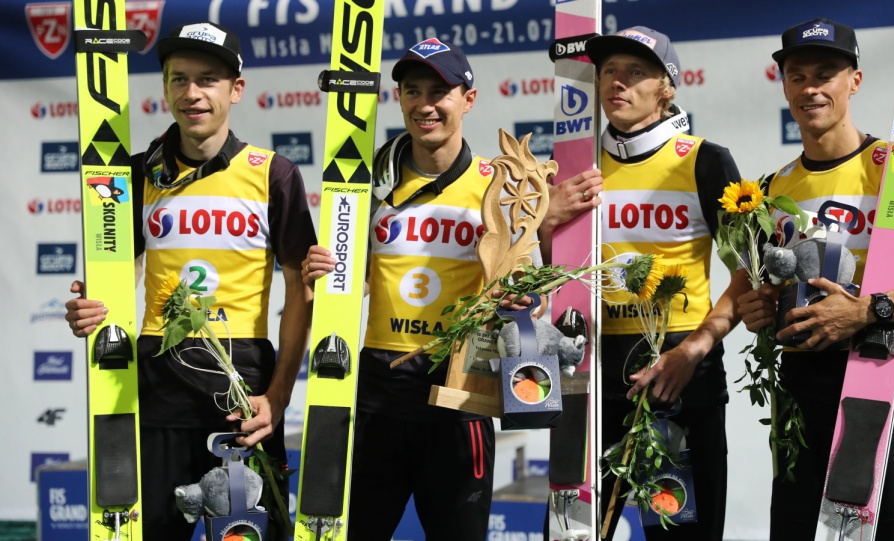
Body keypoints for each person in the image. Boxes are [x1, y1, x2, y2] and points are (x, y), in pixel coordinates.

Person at [64, 22, 315, 540]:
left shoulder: (275, 174)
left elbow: (301, 293)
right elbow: (116, 276)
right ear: (164, 88)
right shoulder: (133, 174)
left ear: (235, 90)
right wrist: (92, 306)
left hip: (242, 391)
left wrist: (281, 394)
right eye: (179, 80)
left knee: (252, 533)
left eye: (207, 80)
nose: (192, 93)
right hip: (156, 388)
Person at [736, 17, 894, 540]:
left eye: (826, 74)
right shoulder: (769, 188)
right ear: (785, 86)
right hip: (798, 402)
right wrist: (757, 312)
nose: (811, 88)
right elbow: (762, 299)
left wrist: (866, 310)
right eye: (797, 76)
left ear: (854, 81)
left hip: (880, 382)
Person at [303, 39, 526, 540]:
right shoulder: (366, 187)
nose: (425, 105)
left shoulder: (503, 186)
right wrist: (320, 278)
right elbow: (345, 286)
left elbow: (523, 287)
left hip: (459, 394)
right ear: (399, 99)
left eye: (440, 92)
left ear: (468, 99)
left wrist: (522, 297)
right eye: (412, 91)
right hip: (379, 393)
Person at [539, 26, 745, 541]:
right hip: (587, 375)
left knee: (679, 534)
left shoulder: (705, 160)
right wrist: (544, 224)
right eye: (610, 71)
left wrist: (695, 348)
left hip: (676, 378)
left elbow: (753, 275)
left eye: (636, 73)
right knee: (571, 535)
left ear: (666, 88)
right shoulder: (573, 167)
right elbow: (540, 273)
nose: (618, 83)